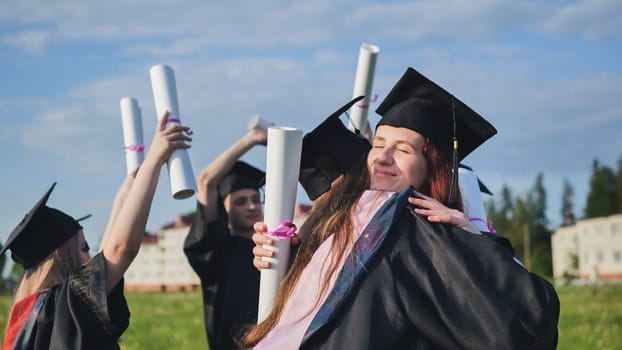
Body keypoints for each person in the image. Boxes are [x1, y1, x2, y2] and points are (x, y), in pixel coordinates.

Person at [244, 67, 559, 349]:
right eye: (379, 144)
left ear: (431, 167)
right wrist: (291, 264)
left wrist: (475, 239)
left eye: (403, 149)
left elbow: (528, 321)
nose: (382, 156)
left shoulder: (418, 229)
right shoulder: (349, 222)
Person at [1, 112, 191, 349]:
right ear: (60, 255)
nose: (91, 258)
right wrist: (154, 158)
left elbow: (106, 253)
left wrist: (124, 195)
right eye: (83, 248)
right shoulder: (65, 303)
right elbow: (119, 248)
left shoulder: (27, 318)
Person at [183, 128, 267, 350]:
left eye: (255, 199)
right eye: (240, 201)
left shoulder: (275, 248)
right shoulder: (216, 252)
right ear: (224, 207)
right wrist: (252, 139)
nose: (251, 206)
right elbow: (206, 181)